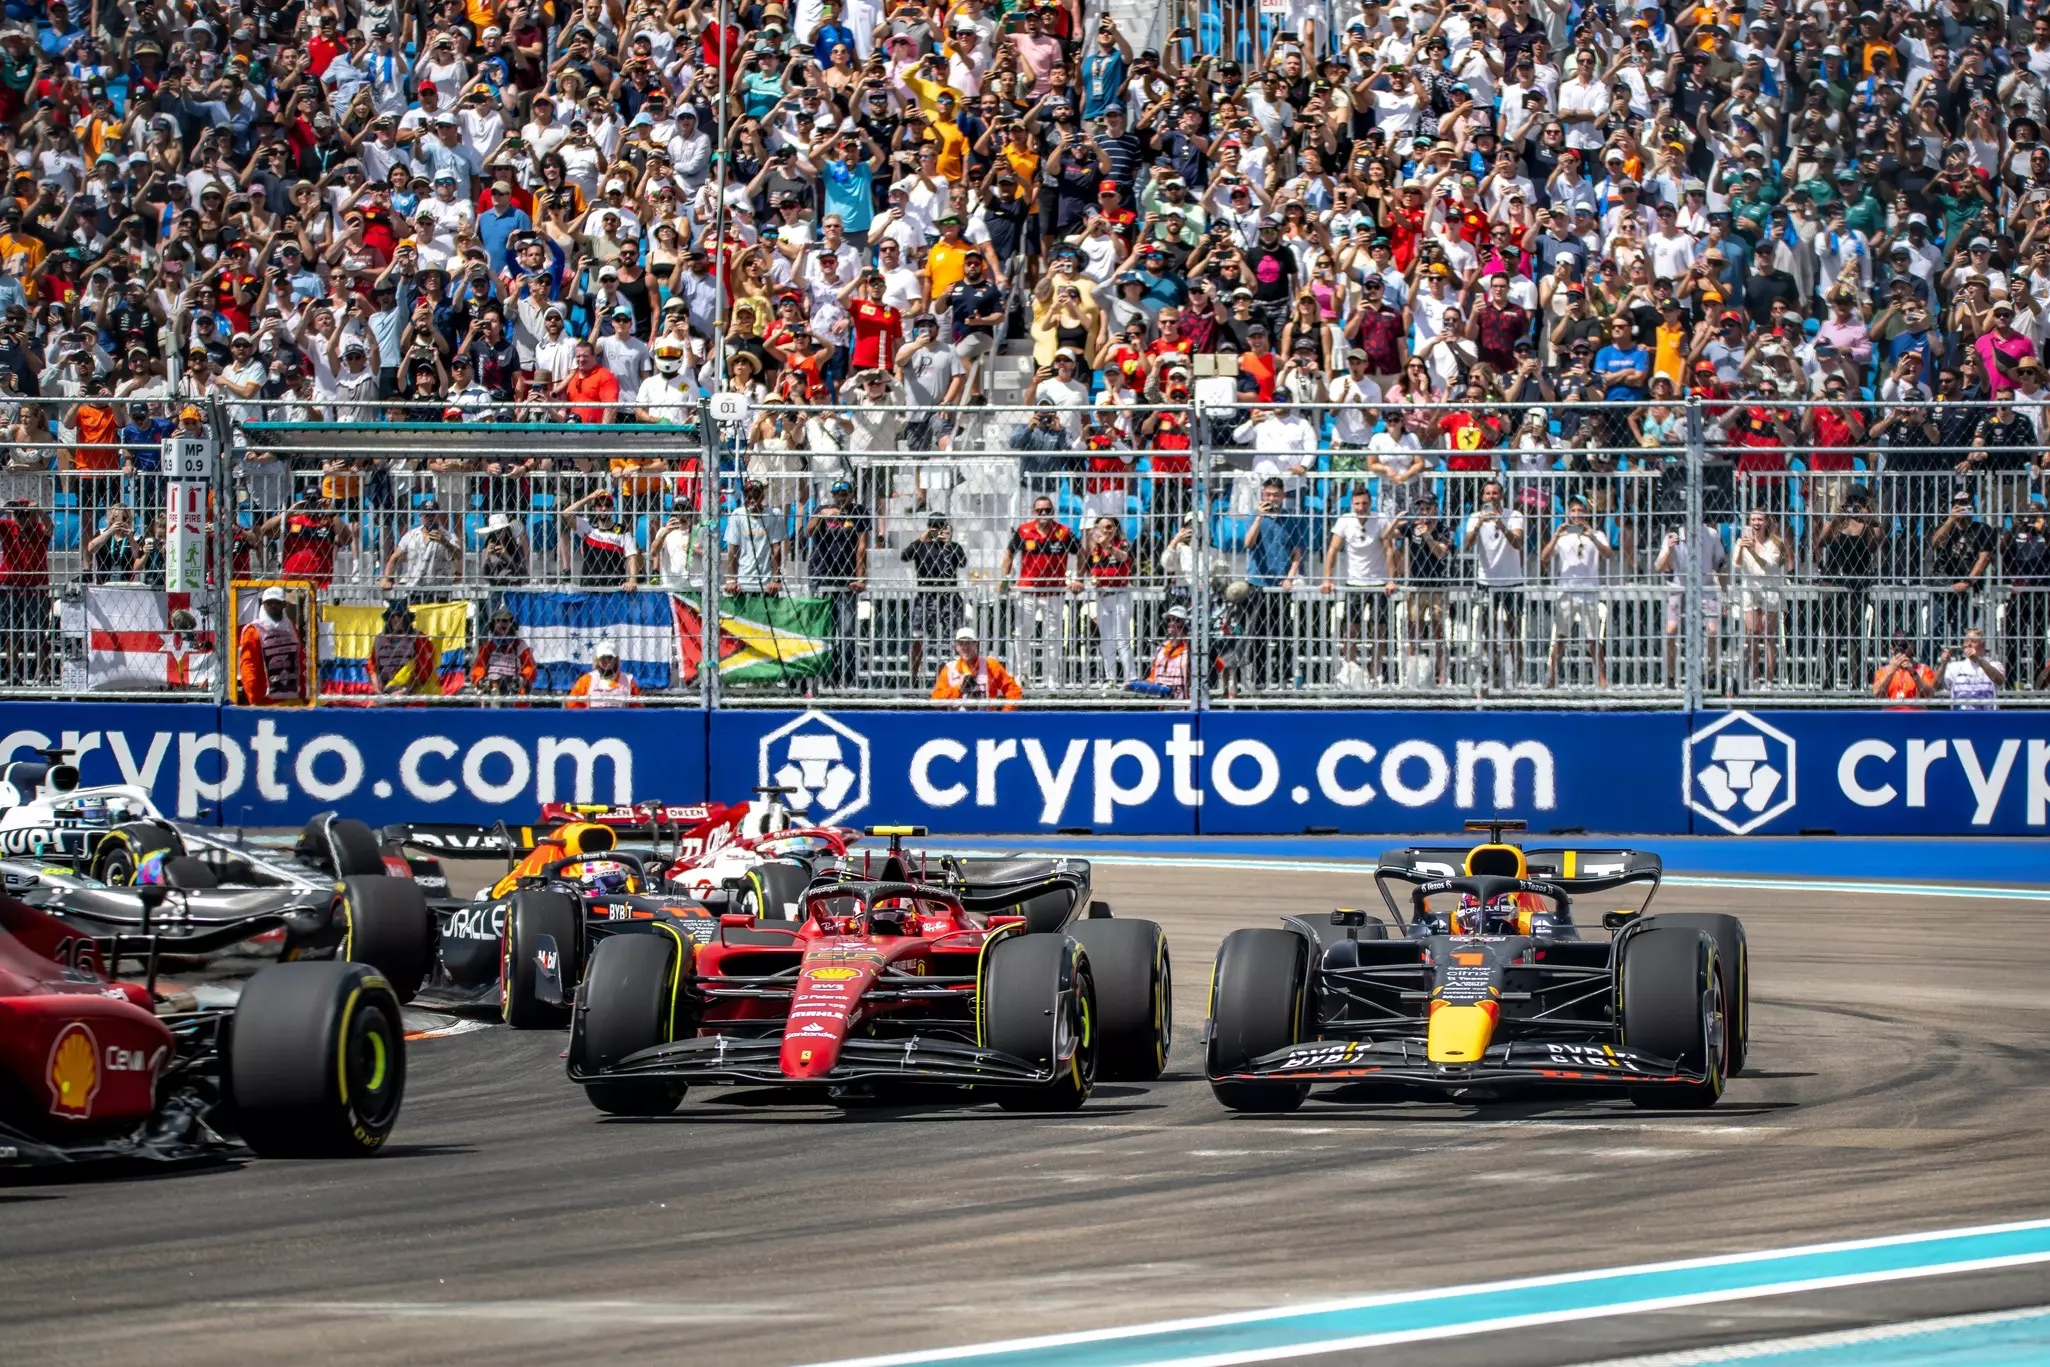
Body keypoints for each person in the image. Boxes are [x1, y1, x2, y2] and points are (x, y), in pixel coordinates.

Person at [1000, 495, 1081, 688]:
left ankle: (1052, 678)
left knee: (1053, 635)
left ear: (1053, 512)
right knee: (1022, 633)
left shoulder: (1063, 532)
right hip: (1027, 590)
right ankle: (1023, 675)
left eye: (1047, 510)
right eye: (1040, 511)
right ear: (1034, 513)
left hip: (1054, 591)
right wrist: (1005, 578)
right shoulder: (1024, 530)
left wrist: (1078, 578)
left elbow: (1081, 553)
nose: (1044, 514)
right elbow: (1009, 553)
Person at [1323, 486, 1398, 688]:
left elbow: (1389, 550)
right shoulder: (1345, 520)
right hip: (1354, 582)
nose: (1361, 507)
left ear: (1370, 503)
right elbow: (1332, 549)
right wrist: (1327, 578)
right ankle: (1351, 669)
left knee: (1379, 629)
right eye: (1357, 503)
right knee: (1349, 629)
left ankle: (1376, 672)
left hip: (1379, 582)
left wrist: (1392, 579)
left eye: (1364, 503)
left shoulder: (1380, 518)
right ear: (1351, 504)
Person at [1462, 479, 1527, 690]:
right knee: (1487, 632)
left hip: (1512, 581)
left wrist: (1500, 523)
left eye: (1495, 493)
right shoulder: (1474, 517)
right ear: (1483, 497)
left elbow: (1518, 543)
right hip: (1485, 581)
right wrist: (1480, 523)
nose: (1491, 497)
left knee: (1514, 631)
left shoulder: (1514, 515)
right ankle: (1495, 674)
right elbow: (1466, 545)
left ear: (1502, 496)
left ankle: (1518, 677)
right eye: (1488, 493)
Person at [1242, 477, 1307, 687]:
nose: (1272, 498)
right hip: (1257, 584)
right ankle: (1259, 679)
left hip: (1280, 586)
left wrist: (1290, 577)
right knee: (1257, 635)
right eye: (1268, 495)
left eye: (1276, 495)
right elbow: (1248, 543)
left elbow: (1297, 553)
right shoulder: (1254, 515)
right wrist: (1260, 517)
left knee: (1283, 634)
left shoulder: (1290, 518)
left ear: (1283, 496)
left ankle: (1283, 676)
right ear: (1263, 495)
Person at [1543, 498, 1614, 689]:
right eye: (1573, 510)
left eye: (1580, 510)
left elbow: (1608, 554)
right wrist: (1556, 536)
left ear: (1586, 513)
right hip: (1566, 591)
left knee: (1593, 639)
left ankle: (1602, 679)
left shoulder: (1597, 533)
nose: (1577, 514)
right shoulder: (1563, 536)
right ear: (1568, 514)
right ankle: (1551, 677)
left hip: (1589, 591)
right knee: (1561, 636)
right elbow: (1544, 557)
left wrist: (1592, 537)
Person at [805, 479, 869, 689]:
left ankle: (846, 678)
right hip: (822, 574)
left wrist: (860, 577)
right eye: (837, 494)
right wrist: (821, 516)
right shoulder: (823, 509)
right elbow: (808, 531)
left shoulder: (859, 512)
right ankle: (823, 677)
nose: (841, 498)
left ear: (852, 494)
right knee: (822, 628)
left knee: (847, 630)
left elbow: (862, 546)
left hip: (846, 578)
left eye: (845, 494)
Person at [1657, 521, 1727, 689]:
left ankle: (1711, 672)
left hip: (1706, 587)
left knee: (1713, 630)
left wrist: (1724, 595)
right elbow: (1659, 567)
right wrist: (1669, 550)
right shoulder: (1673, 534)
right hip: (1679, 587)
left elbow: (1721, 565)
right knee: (1670, 630)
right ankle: (1670, 677)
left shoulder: (1711, 534)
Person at [902, 513, 968, 685]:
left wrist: (948, 544)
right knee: (918, 637)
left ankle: (956, 676)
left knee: (955, 637)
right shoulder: (921, 546)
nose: (937, 529)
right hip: (926, 596)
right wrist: (921, 538)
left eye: (940, 525)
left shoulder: (952, 547)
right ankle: (913, 677)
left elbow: (962, 562)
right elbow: (904, 556)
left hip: (950, 597)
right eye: (934, 526)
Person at [1733, 511, 1790, 689]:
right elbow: (1736, 565)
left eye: (1760, 519)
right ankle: (1755, 678)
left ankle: (1769, 680)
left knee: (1769, 636)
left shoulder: (1776, 543)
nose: (1756, 522)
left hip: (1770, 590)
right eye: (1753, 519)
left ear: (1766, 522)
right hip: (1750, 590)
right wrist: (1742, 547)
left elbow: (1769, 565)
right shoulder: (1741, 541)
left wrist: (1753, 551)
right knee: (1752, 635)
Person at [237, 586, 304, 705]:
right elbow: (247, 666)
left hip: (292, 700)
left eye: (277, 602)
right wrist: (255, 699)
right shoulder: (253, 630)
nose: (273, 606)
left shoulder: (291, 627)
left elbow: (301, 660)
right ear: (263, 603)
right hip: (264, 702)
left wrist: (303, 694)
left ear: (284, 604)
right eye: (269, 603)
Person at [379, 499, 462, 595]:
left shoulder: (448, 536)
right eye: (426, 515)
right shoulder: (411, 535)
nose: (430, 518)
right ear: (420, 516)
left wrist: (444, 542)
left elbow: (459, 556)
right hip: (414, 590)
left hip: (439, 591)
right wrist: (386, 578)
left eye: (433, 515)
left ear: (437, 516)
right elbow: (395, 557)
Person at [930, 626, 1021, 709]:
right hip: (958, 723)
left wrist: (1002, 717)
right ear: (956, 647)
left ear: (975, 644)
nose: (965, 647)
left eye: (969, 643)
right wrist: (958, 688)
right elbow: (935, 700)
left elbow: (1014, 691)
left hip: (985, 721)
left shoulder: (990, 664)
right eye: (961, 643)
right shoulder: (949, 669)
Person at [369, 600, 438, 698]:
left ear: (406, 618)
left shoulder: (418, 638)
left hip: (411, 691)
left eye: (399, 615)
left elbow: (425, 668)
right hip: (383, 689)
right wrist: (377, 688)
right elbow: (371, 667)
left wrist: (407, 688)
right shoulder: (380, 639)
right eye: (392, 616)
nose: (395, 619)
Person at [470, 604, 537, 698]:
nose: (502, 624)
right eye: (499, 621)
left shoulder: (520, 645)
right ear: (493, 625)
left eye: (505, 621)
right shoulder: (488, 646)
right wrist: (481, 680)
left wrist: (522, 678)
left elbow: (530, 667)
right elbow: (478, 667)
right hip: (492, 688)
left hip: (514, 689)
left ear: (512, 624)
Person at [1126, 605, 1192, 700]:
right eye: (1169, 620)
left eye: (1177, 620)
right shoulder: (1162, 649)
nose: (1171, 623)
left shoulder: (1191, 648)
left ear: (1185, 623)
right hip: (1164, 704)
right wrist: (1136, 685)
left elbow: (1217, 666)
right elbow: (1152, 679)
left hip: (1187, 704)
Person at [1938, 628, 2005, 711]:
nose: (1969, 644)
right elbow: (1934, 687)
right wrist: (1943, 664)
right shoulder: (1955, 667)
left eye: (1973, 641)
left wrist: (1978, 660)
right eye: (1966, 641)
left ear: (1982, 645)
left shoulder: (1994, 664)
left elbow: (2000, 680)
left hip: (1987, 718)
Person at [1872, 634, 1938, 707]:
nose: (1902, 651)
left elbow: (1929, 694)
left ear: (1912, 647)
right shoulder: (1883, 671)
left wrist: (1913, 673)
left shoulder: (1923, 669)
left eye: (1905, 646)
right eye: (1898, 647)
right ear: (1892, 648)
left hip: (1916, 714)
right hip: (1891, 714)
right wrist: (1892, 670)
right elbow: (1877, 693)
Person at [568, 641, 640, 707]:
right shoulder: (586, 680)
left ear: (616, 660)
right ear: (597, 660)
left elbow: (638, 707)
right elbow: (573, 705)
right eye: (603, 658)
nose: (607, 661)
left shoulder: (628, 681)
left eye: (610, 658)